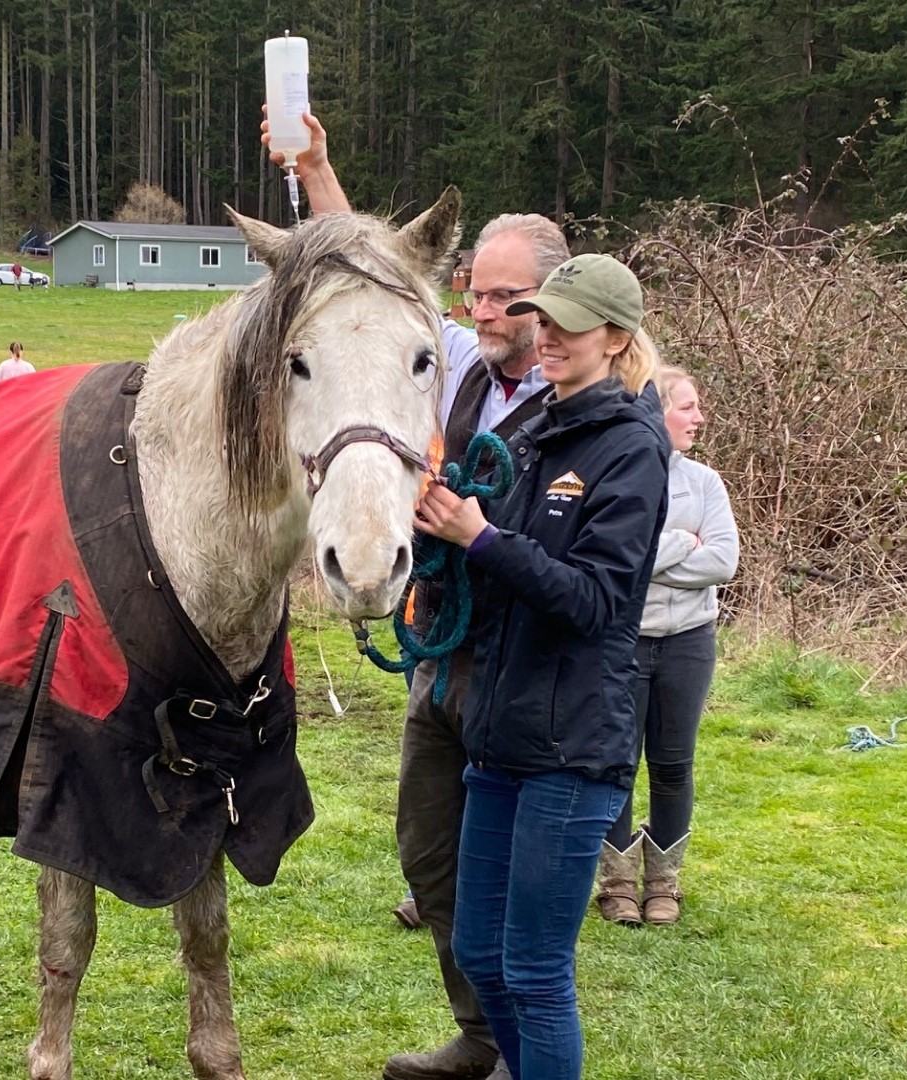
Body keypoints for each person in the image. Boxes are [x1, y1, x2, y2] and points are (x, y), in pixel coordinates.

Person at [268, 109, 570, 1080]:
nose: (482, 313)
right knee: (428, 853)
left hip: (527, 674)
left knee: (516, 896)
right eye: (474, 294)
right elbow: (374, 292)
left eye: (505, 298)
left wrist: (480, 536)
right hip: (445, 653)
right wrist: (317, 172)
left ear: (554, 302)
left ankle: (523, 1049)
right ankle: (478, 1035)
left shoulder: (590, 414)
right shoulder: (456, 372)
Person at [414, 252, 668, 1080]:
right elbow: (493, 567)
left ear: (617, 337)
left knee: (533, 970)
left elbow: (594, 600)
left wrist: (481, 538)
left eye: (571, 323)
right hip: (501, 728)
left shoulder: (630, 446)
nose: (549, 334)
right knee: (482, 957)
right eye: (545, 318)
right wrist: (433, 537)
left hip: (572, 742)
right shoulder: (534, 430)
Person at [593, 365, 738, 928]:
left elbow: (722, 561)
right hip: (623, 642)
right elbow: (615, 560)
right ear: (654, 410)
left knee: (674, 765)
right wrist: (682, 543)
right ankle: (619, 885)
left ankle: (664, 885)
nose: (699, 418)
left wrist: (649, 558)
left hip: (688, 643)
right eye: (688, 407)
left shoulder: (705, 484)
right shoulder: (618, 477)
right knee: (618, 764)